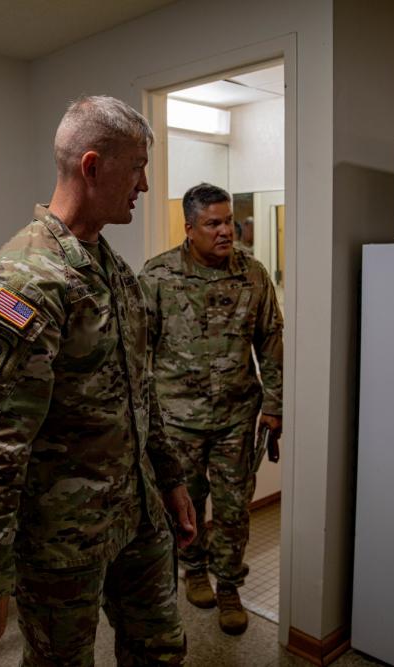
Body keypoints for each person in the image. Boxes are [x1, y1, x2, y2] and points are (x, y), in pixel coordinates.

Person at [0, 95, 195, 665]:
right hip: (61, 540)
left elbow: (141, 391)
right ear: (92, 166)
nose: (143, 185)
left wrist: (171, 480)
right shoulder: (26, 281)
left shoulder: (113, 270)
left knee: (163, 649)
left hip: (136, 514)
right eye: (137, 169)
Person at [139, 183, 283, 635]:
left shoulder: (252, 274)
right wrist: (143, 419)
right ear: (190, 228)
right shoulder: (158, 276)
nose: (225, 232)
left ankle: (229, 586)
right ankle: (194, 570)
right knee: (185, 503)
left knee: (234, 508)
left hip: (236, 419)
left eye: (229, 222)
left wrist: (275, 404)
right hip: (177, 421)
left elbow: (270, 341)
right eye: (213, 224)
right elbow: (139, 350)